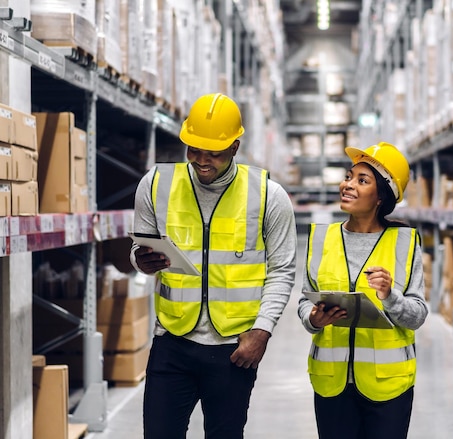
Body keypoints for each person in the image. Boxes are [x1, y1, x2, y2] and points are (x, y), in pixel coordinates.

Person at [130, 93, 298, 439]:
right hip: (172, 341)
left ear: (235, 147)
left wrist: (262, 331)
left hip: (233, 349)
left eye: (214, 153)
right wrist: (140, 259)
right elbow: (140, 250)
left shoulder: (269, 196)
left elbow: (282, 270)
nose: (201, 161)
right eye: (194, 150)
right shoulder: (156, 184)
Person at [297, 142, 429, 439]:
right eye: (348, 176)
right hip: (332, 382)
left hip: (388, 385)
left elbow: (418, 315)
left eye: (362, 180)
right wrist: (313, 320)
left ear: (381, 196)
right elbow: (305, 300)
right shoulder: (321, 239)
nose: (348, 185)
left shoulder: (404, 243)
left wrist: (390, 295)